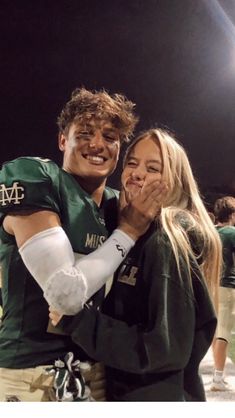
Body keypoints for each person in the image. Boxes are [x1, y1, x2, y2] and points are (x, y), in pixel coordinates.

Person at [0, 88, 166, 402]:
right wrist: (128, 232)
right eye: (85, 133)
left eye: (110, 136)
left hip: (98, 372)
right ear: (63, 140)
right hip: (32, 377)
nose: (98, 144)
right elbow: (65, 293)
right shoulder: (37, 177)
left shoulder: (118, 205)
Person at [50, 127, 222, 401]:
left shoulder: (166, 239)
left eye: (153, 168)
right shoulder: (139, 231)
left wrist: (79, 321)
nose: (138, 173)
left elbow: (165, 348)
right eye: (132, 163)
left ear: (175, 180)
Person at [210, 196, 235, 392]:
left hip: (210, 286)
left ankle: (218, 375)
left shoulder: (209, 231)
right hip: (228, 286)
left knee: (215, 330)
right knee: (224, 332)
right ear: (232, 214)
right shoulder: (231, 233)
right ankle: (218, 378)